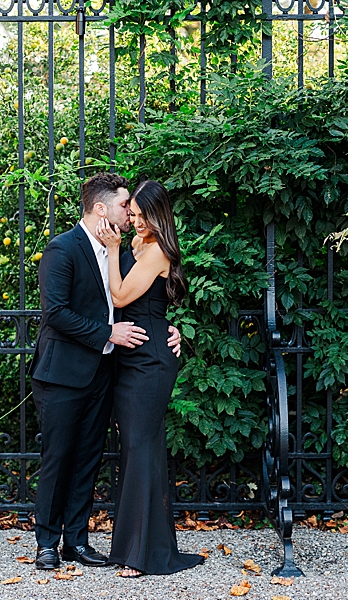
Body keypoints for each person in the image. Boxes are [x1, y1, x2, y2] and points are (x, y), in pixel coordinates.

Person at [29, 172, 182, 570]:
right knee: (57, 458)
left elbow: (141, 298)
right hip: (62, 374)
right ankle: (47, 542)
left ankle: (76, 542)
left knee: (88, 461)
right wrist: (106, 333)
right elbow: (56, 314)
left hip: (106, 372)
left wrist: (167, 327)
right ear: (101, 209)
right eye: (123, 205)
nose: (129, 212)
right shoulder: (62, 249)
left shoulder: (129, 248)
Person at [95, 179, 203, 577]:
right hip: (131, 356)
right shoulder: (140, 245)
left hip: (151, 362)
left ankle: (138, 557)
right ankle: (150, 549)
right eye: (133, 215)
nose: (135, 222)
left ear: (157, 216)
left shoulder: (155, 250)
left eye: (142, 216)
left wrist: (113, 250)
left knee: (140, 449)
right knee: (141, 450)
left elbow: (121, 297)